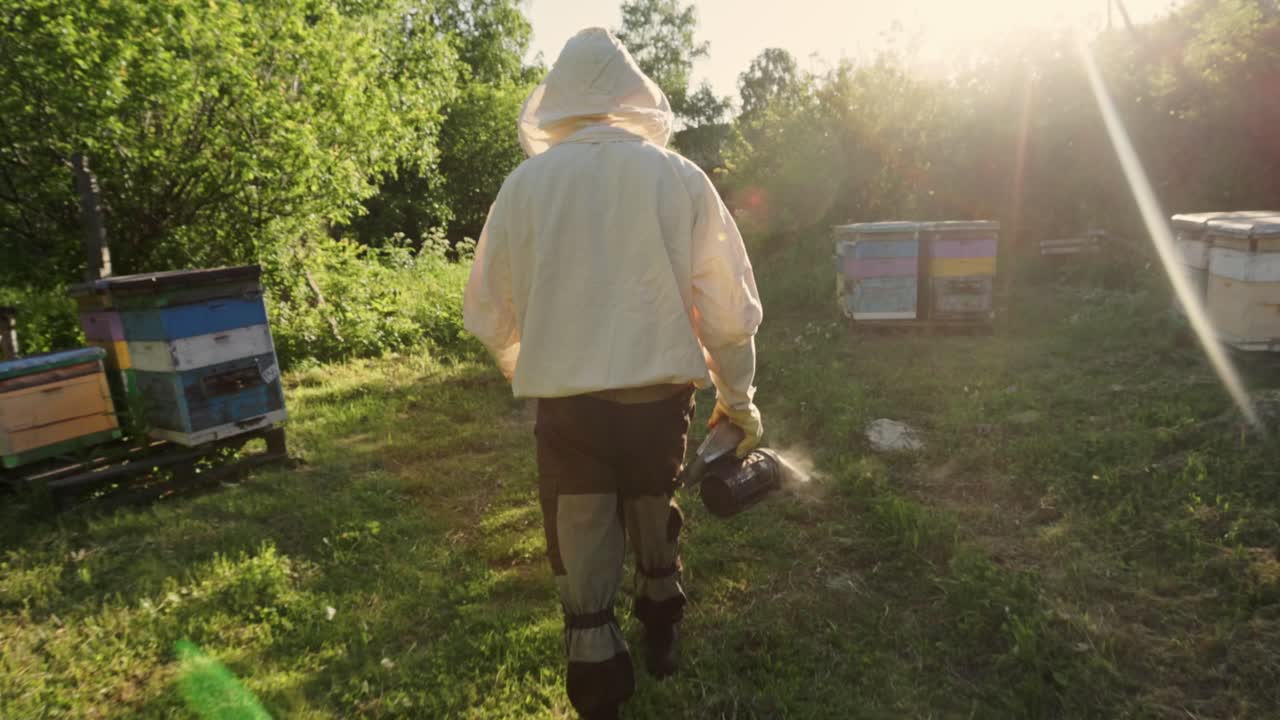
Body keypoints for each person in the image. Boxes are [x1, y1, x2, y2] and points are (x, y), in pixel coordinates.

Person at [462, 27, 763, 720]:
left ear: (556, 101)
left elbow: (489, 316)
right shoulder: (679, 177)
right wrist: (738, 400)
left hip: (565, 409)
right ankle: (662, 632)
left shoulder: (525, 185)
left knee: (582, 530)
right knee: (652, 509)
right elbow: (727, 314)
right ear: (635, 97)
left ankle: (598, 696)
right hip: (660, 399)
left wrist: (533, 366)